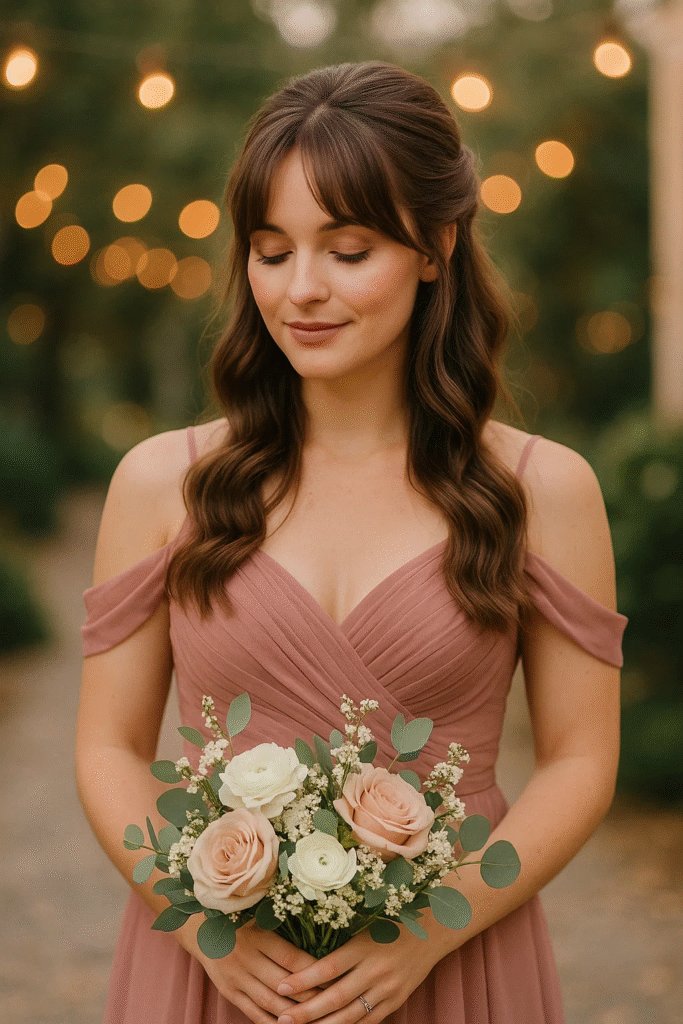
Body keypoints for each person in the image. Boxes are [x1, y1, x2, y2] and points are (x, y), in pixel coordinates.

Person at [76, 60, 628, 1024]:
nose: (302, 291)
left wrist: (426, 934)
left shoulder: (543, 490)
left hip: (450, 963)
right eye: (271, 250)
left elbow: (581, 759)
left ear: (434, 246)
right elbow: (108, 746)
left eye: (348, 248)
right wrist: (201, 923)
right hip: (216, 976)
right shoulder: (162, 483)